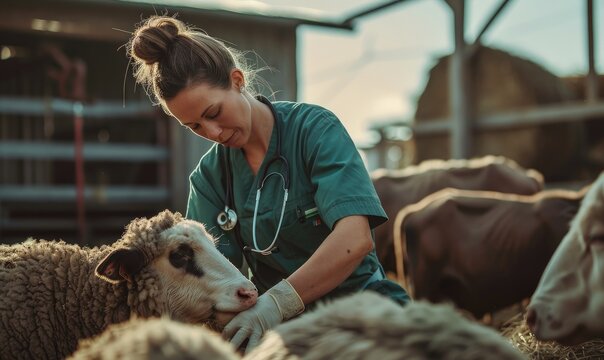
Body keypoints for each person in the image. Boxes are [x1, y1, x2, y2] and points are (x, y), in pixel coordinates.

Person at [128, 15, 410, 353]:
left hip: (365, 312)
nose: (212, 133)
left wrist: (277, 303)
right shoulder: (209, 179)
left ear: (236, 80)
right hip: (283, 336)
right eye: (195, 127)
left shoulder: (314, 130)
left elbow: (355, 238)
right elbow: (211, 278)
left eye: (214, 113)